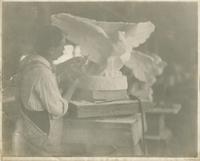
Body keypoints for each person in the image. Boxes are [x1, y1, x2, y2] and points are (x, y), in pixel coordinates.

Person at [13, 25, 83, 156]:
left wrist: (67, 64)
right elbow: (58, 110)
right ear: (51, 49)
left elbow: (48, 74)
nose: (64, 49)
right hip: (41, 138)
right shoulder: (42, 73)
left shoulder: (29, 61)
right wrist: (74, 84)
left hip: (27, 130)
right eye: (62, 45)